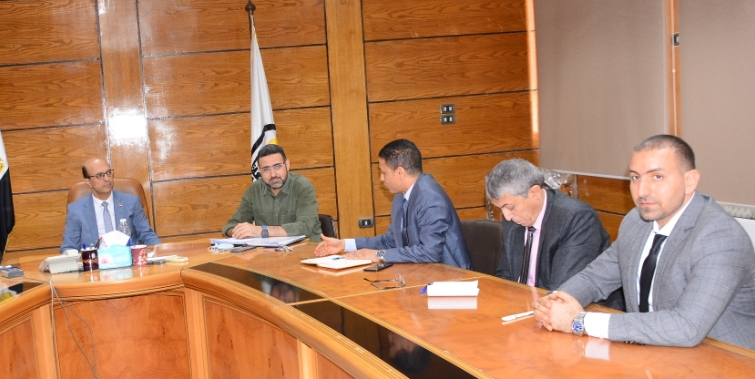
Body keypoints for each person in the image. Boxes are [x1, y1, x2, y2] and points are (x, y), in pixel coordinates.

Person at [534, 135, 755, 356]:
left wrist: (580, 322)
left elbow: (686, 327)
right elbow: (595, 278)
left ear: (690, 181)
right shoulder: (636, 221)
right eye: (635, 177)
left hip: (736, 367)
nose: (642, 191)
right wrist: (555, 303)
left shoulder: (720, 236)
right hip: (659, 356)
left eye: (657, 177)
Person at [314, 139, 471, 267]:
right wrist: (344, 244)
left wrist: (378, 255)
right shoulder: (401, 196)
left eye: (384, 173)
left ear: (400, 172)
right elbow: (391, 240)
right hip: (420, 274)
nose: (381, 179)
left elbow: (429, 252)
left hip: (451, 281)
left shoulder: (430, 198)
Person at [486, 158, 611, 291]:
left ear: (534, 192)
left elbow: (562, 290)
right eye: (501, 208)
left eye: (510, 207)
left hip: (567, 301)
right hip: (525, 300)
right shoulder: (513, 219)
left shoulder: (576, 218)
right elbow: (505, 276)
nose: (507, 216)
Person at [222, 144, 322, 242]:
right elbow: (231, 225)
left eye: (277, 166)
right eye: (266, 169)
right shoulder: (254, 190)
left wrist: (261, 230)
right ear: (260, 171)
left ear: (287, 165)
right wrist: (239, 232)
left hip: (307, 248)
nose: (273, 174)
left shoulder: (302, 186)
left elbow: (305, 227)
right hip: (269, 250)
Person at [61, 157, 160, 252]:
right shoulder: (76, 210)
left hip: (128, 259)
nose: (107, 179)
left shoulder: (131, 202)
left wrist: (161, 251)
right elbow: (69, 246)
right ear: (88, 182)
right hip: (96, 261)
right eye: (99, 175)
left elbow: (147, 235)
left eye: (108, 173)